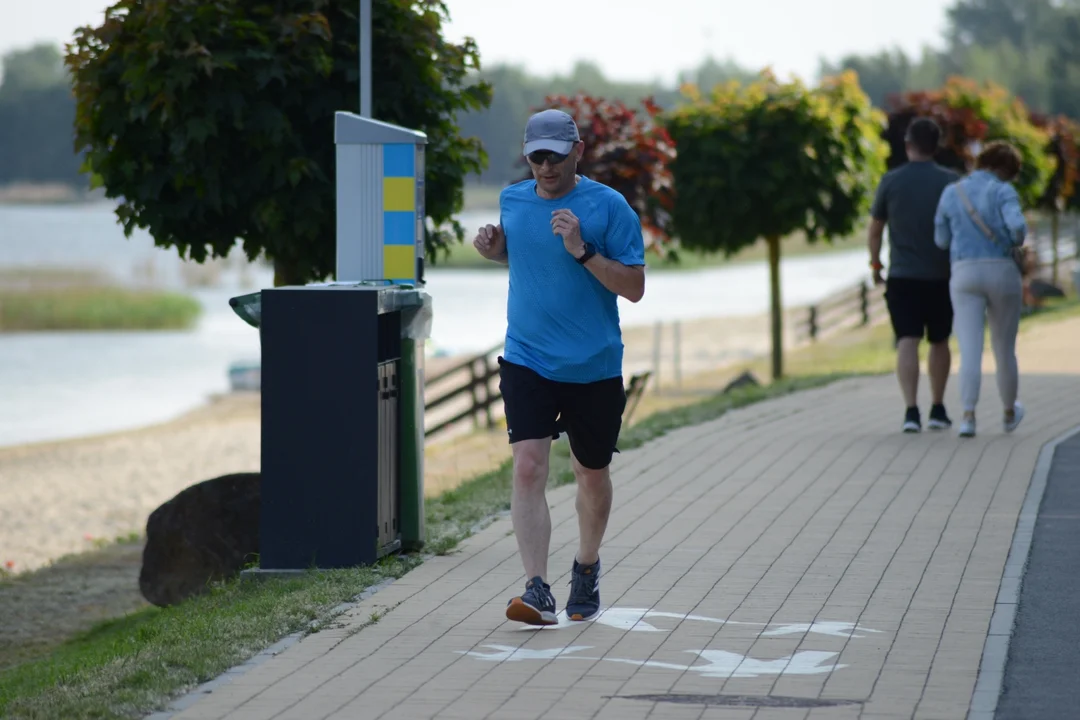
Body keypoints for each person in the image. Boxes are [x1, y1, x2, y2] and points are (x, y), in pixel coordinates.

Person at [472, 109, 646, 626]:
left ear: (578, 151)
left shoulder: (609, 207)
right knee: (527, 466)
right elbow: (525, 254)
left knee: (591, 476)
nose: (545, 166)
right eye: (536, 157)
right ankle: (537, 588)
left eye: (554, 155)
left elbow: (634, 287)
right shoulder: (513, 199)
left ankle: (586, 568)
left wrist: (583, 250)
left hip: (593, 365)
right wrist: (496, 250)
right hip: (527, 358)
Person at [868, 118, 961, 433]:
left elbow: (875, 229)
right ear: (936, 146)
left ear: (908, 144)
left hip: (903, 276)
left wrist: (875, 266)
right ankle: (938, 407)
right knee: (939, 340)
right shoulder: (952, 182)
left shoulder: (890, 182)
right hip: (942, 275)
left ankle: (911, 411)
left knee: (907, 340)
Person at [933, 141, 1028, 438]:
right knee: (1004, 348)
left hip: (964, 272)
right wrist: (1012, 241)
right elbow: (1018, 227)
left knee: (969, 348)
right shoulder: (1003, 190)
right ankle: (1009, 412)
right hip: (1001, 270)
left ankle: (968, 417)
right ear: (1005, 170)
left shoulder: (952, 192)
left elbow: (941, 239)